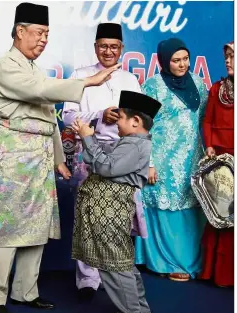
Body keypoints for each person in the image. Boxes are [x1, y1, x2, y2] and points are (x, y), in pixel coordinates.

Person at [0, 3, 120, 313]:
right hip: (12, 157)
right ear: (20, 32)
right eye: (39, 33)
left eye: (47, 34)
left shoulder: (34, 69)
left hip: (40, 157)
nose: (44, 39)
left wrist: (59, 157)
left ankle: (25, 292)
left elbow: (48, 118)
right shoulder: (7, 66)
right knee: (6, 225)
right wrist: (88, 81)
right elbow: (39, 91)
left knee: (37, 224)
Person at [62, 22, 142, 301]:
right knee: (87, 215)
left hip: (122, 153)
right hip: (90, 152)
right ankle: (88, 278)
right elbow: (68, 116)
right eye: (103, 46)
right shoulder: (80, 76)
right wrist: (98, 114)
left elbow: (140, 121)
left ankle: (116, 271)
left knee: (120, 214)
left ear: (122, 49)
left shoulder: (130, 80)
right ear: (95, 47)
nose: (108, 51)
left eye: (114, 46)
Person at [71, 90, 161, 313]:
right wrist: (89, 139)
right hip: (107, 211)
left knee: (115, 266)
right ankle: (139, 309)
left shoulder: (133, 145)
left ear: (135, 121)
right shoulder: (129, 143)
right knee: (121, 264)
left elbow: (105, 167)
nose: (116, 123)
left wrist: (87, 137)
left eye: (120, 117)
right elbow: (98, 162)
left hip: (110, 213)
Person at [135, 38, 208, 282]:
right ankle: (166, 261)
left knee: (191, 207)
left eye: (185, 59)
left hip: (192, 158)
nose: (182, 64)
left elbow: (206, 119)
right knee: (164, 207)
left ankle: (191, 259)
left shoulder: (198, 82)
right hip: (163, 159)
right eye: (176, 60)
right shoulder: (152, 86)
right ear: (164, 61)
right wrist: (150, 162)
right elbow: (143, 127)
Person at [199, 41, 234, 287]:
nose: (228, 62)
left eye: (233, 57)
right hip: (221, 159)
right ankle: (216, 274)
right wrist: (210, 145)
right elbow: (208, 121)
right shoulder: (216, 89)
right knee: (220, 215)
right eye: (227, 58)